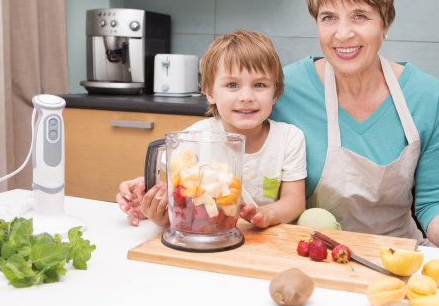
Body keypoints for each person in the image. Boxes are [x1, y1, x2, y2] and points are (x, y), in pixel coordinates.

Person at [270, 0, 439, 250]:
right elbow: (259, 182)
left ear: (386, 22)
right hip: (311, 255)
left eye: (360, 16)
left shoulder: (426, 95)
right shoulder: (283, 90)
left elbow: (436, 200)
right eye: (329, 17)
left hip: (396, 256)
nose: (342, 33)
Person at [117, 29, 307, 228]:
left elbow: (294, 201)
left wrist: (266, 215)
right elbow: (170, 187)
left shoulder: (289, 138)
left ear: (275, 93)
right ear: (210, 93)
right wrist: (145, 195)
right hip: (209, 233)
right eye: (233, 85)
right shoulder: (194, 138)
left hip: (267, 240)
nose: (247, 97)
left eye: (259, 85)